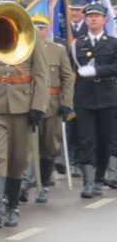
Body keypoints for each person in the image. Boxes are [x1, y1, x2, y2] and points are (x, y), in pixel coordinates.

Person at [0, 0, 49, 228]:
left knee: (18, 160)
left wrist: (39, 106)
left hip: (23, 106)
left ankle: (12, 206)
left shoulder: (30, 35)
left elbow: (42, 73)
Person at [27, 14, 74, 203]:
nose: (38, 31)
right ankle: (25, 184)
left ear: (48, 29)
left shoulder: (58, 50)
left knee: (49, 147)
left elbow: (67, 78)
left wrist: (66, 103)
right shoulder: (23, 49)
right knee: (28, 147)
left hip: (52, 105)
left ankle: (43, 184)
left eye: (42, 27)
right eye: (35, 27)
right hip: (29, 104)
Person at [72, 1, 117, 197]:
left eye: (96, 16)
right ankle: (88, 183)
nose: (92, 18)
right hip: (84, 97)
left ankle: (99, 179)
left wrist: (97, 70)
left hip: (107, 97)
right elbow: (70, 71)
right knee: (86, 141)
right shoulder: (77, 44)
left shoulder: (113, 43)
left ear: (104, 19)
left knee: (104, 141)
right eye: (89, 15)